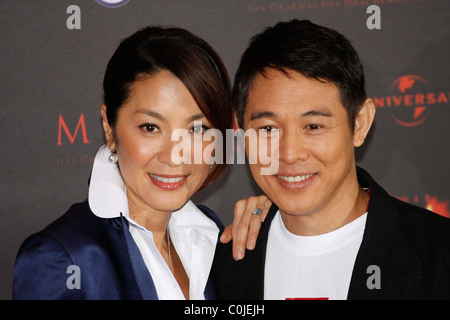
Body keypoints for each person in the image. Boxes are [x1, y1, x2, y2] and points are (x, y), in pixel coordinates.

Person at [13, 26, 266, 300]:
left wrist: (280, 223)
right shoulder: (61, 257)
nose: (173, 156)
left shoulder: (213, 237)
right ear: (109, 129)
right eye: (150, 127)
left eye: (196, 130)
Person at [212, 19, 450, 300]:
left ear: (360, 124)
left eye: (313, 126)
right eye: (268, 129)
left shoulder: (438, 256)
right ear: (240, 131)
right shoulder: (219, 267)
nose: (289, 154)